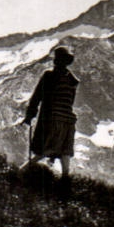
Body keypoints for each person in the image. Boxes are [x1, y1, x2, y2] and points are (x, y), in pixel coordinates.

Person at [22, 46, 81, 184]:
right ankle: (65, 181)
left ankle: (21, 172)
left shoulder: (49, 76)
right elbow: (70, 102)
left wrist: (30, 115)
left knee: (46, 148)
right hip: (68, 119)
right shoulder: (72, 81)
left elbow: (37, 97)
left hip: (51, 117)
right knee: (65, 151)